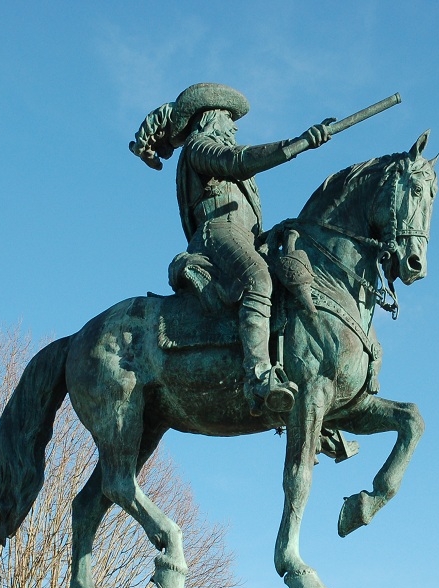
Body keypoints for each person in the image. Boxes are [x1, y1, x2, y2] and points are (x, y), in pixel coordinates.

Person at [130, 83, 331, 414]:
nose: (234, 127)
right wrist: (299, 144)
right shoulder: (198, 147)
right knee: (258, 279)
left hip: (244, 236)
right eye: (228, 118)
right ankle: (259, 377)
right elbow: (237, 161)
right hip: (217, 232)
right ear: (211, 118)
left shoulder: (212, 150)